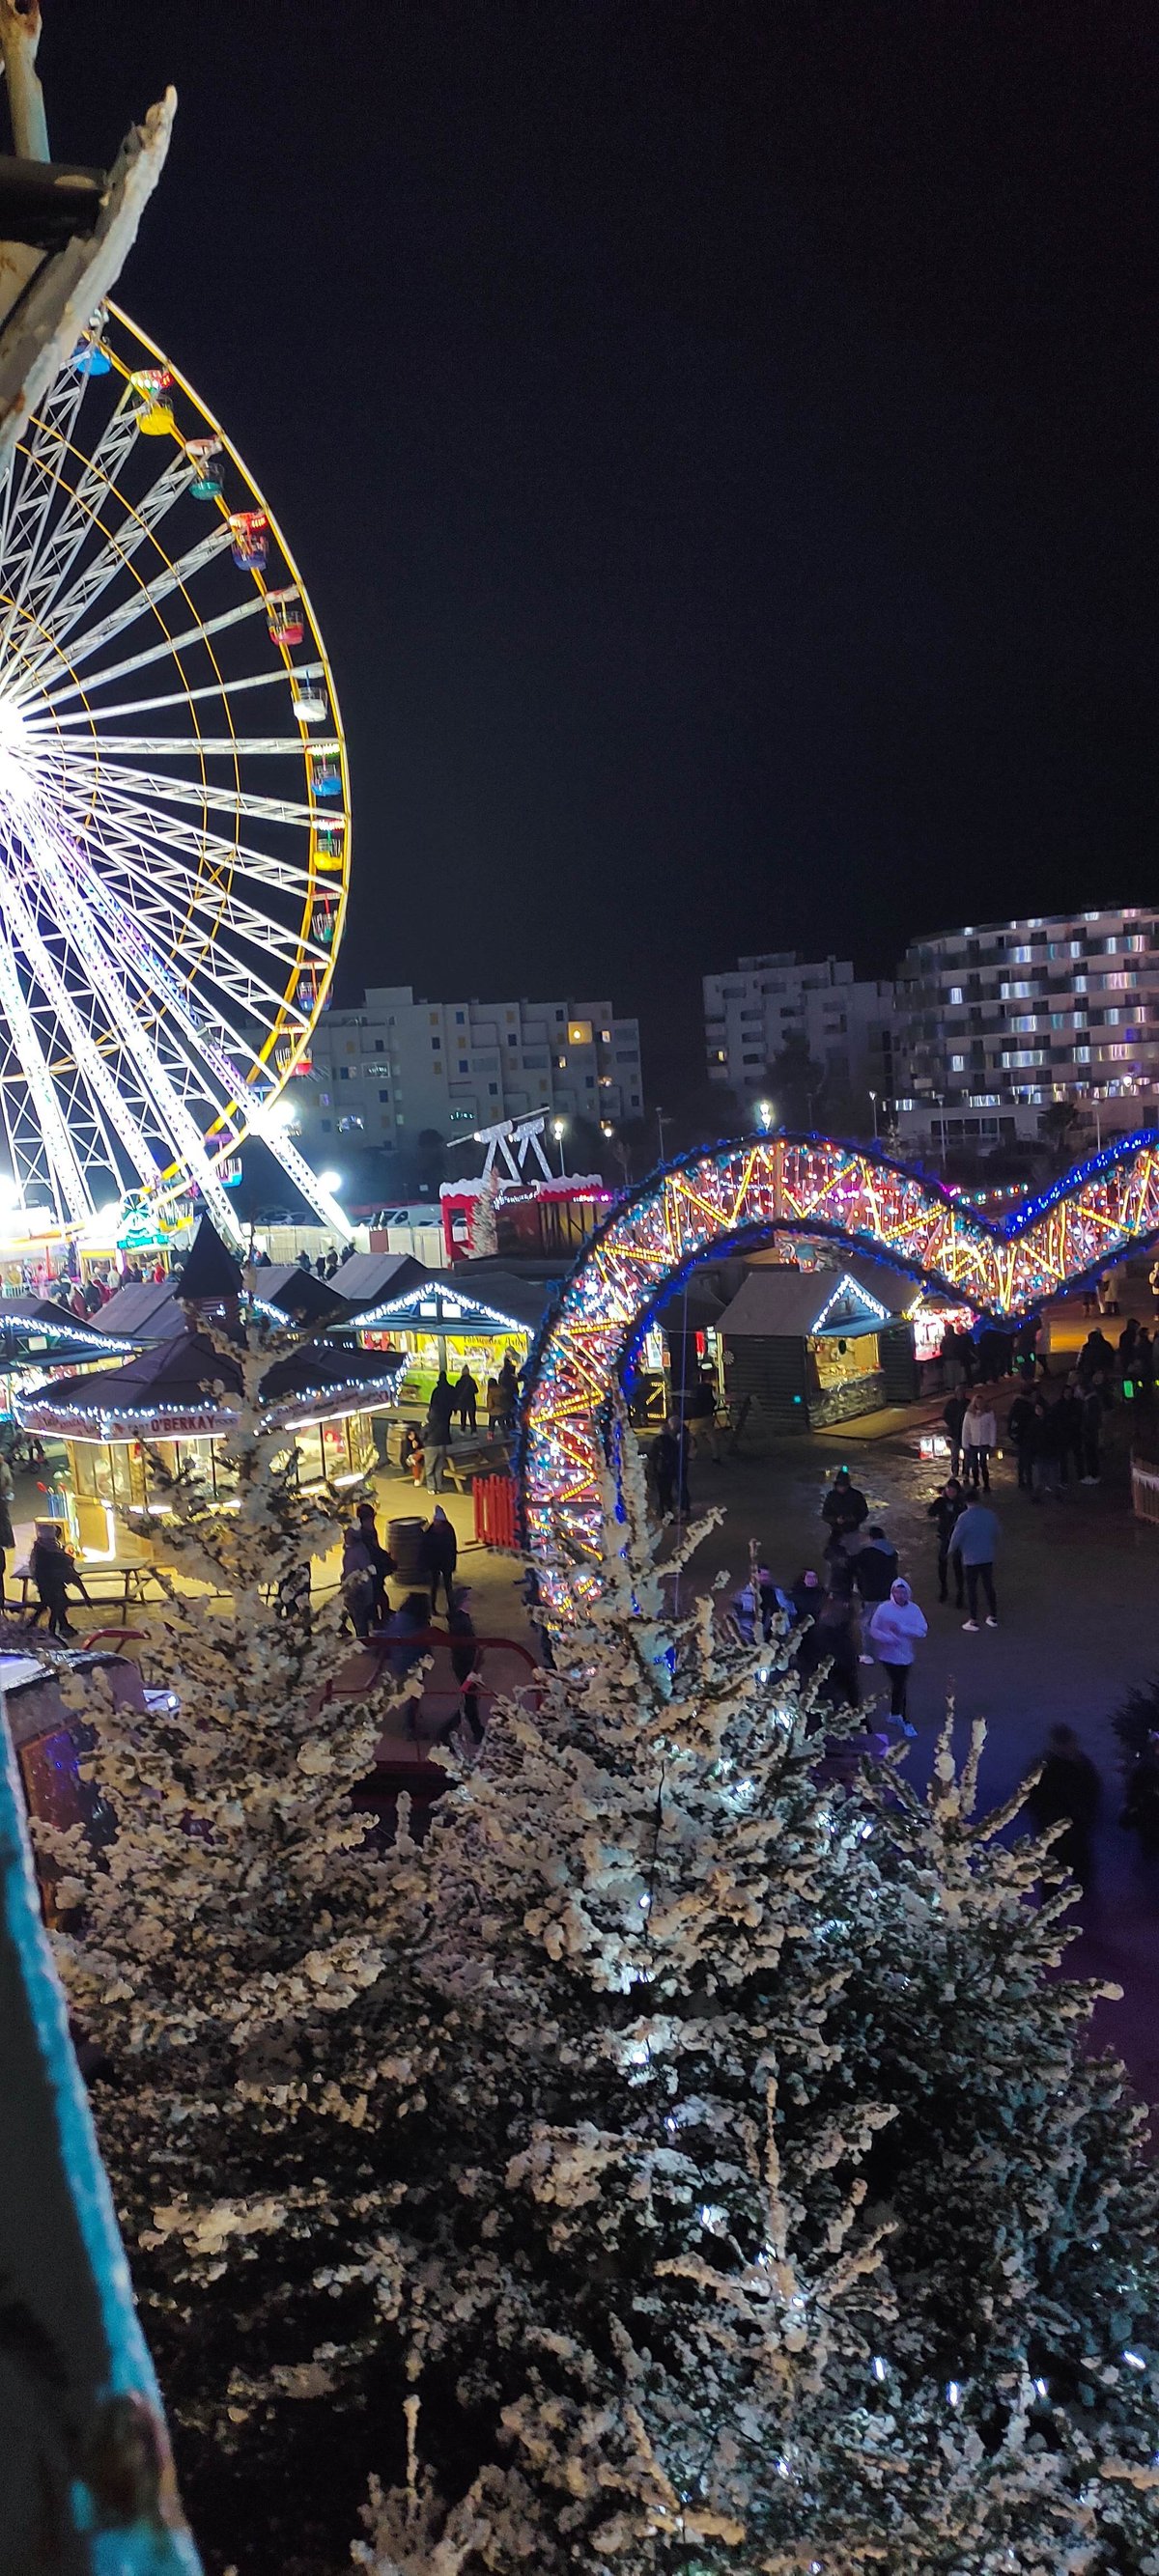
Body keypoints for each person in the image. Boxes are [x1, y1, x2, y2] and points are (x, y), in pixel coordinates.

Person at [1026, 1724, 1101, 1889]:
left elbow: (1093, 1792)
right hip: (1053, 1831)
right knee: (1052, 1879)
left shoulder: (1081, 1764)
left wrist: (1087, 1816)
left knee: (1082, 1877)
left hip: (1077, 1829)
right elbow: (1031, 1797)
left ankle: (1084, 1905)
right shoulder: (1045, 1767)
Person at [867, 1577, 927, 1734]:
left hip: (906, 1656)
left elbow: (922, 1631)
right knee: (900, 1685)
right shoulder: (883, 1609)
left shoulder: (914, 1609)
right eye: (897, 1592)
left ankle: (895, 1713)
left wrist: (902, 1629)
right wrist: (888, 1639)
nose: (900, 1596)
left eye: (903, 1592)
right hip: (887, 1656)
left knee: (899, 1685)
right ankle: (905, 1719)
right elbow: (873, 1630)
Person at [27, 1523, 90, 1641]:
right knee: (57, 1605)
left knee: (55, 1604)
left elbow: (34, 1569)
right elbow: (72, 1576)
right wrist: (85, 1596)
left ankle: (58, 1627)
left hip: (46, 1584)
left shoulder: (40, 1550)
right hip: (51, 1585)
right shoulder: (55, 1555)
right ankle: (53, 1631)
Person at [949, 1496, 1000, 1631]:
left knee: (972, 1589)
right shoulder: (990, 1515)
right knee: (989, 1586)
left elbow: (956, 1537)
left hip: (971, 1558)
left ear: (966, 1502)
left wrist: (950, 1551)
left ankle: (973, 1620)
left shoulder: (964, 1518)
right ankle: (993, 1616)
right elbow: (997, 1532)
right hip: (987, 1556)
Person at [445, 1589, 484, 1744]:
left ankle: (474, 1728)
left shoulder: (460, 1618)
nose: (471, 1603)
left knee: (470, 1697)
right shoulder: (461, 1622)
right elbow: (464, 1645)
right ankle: (452, 1729)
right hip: (465, 1664)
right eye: (469, 1600)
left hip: (464, 1662)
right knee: (470, 1698)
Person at [926, 1476, 965, 1606]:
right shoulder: (941, 1502)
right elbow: (930, 1512)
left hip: (957, 1538)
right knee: (942, 1564)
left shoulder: (961, 1503)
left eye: (953, 1491)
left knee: (957, 1566)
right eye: (949, 1490)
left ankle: (960, 1594)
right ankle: (944, 1590)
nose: (951, 1493)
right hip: (945, 1538)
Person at [1120, 1737, 1159, 1863]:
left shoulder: (1143, 1766)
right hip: (1149, 1813)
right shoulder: (1145, 1767)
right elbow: (1133, 1789)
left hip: (1148, 1813)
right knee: (1149, 1843)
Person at [355, 1500, 395, 1620]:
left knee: (379, 1594)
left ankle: (383, 1615)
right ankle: (377, 1618)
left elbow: (376, 1548)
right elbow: (371, 1552)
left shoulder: (370, 1531)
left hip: (376, 1569)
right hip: (369, 1570)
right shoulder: (362, 1535)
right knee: (374, 1597)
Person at [417, 1503, 458, 1620]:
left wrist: (452, 1564)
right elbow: (425, 1547)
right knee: (435, 1585)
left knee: (447, 1586)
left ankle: (451, 1608)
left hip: (444, 1562)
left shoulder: (444, 1530)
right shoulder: (434, 1530)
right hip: (435, 1562)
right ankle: (433, 1608)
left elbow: (451, 1549)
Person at [340, 1523, 377, 1641]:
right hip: (350, 1587)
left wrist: (355, 1580)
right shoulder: (349, 1549)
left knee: (358, 1616)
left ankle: (363, 1639)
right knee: (346, 1608)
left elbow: (366, 1569)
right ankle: (341, 1627)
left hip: (358, 1590)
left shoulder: (359, 1551)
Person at [820, 1467, 868, 1544]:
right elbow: (824, 1515)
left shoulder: (857, 1495)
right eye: (840, 1486)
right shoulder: (831, 1496)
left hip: (852, 1530)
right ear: (836, 1485)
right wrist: (836, 1519)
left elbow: (864, 1512)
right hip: (836, 1531)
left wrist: (852, 1518)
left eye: (845, 1486)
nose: (842, 1488)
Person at [852, 1525, 898, 1605]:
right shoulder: (893, 1552)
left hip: (871, 1593)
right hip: (889, 1591)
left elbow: (851, 1565)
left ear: (870, 1537)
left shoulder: (866, 1553)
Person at [962, 1391, 997, 1492]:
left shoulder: (989, 1414)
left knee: (983, 1464)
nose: (979, 1405)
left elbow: (992, 1428)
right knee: (974, 1464)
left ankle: (986, 1484)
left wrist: (992, 1442)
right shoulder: (969, 1415)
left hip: (984, 1443)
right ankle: (976, 1481)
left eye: (981, 1402)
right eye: (977, 1403)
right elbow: (966, 1429)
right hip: (973, 1443)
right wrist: (966, 1442)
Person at [1006, 1386, 1036, 1493]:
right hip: (1025, 1437)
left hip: (1019, 1437)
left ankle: (1022, 1480)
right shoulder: (1027, 1407)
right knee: (1026, 1460)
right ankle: (1028, 1481)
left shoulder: (1017, 1405)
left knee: (1022, 1460)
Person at [1080, 1375, 1106, 1484]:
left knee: (1091, 1453)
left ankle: (1093, 1475)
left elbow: (1091, 1419)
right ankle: (1093, 1474)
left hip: (1090, 1432)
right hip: (1091, 1431)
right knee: (1091, 1453)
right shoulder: (1092, 1400)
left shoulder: (1091, 1402)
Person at [943, 1388, 968, 1478]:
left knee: (966, 1455)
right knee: (954, 1455)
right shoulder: (951, 1404)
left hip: (965, 1433)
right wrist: (952, 1425)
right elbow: (946, 1415)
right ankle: (955, 1472)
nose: (961, 1395)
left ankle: (965, 1472)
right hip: (954, 1433)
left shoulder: (968, 1403)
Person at [0, 1449, 14, 1610]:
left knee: (4, 1520)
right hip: (4, 1496)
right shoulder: (4, 1467)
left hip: (3, 1496)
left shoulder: (3, 1468)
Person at [454, 1364, 478, 1434]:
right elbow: (476, 1391)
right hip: (471, 1401)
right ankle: (473, 1431)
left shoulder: (459, 1382)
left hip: (463, 1402)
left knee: (463, 1416)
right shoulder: (472, 1381)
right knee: (472, 1417)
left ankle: (463, 1429)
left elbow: (456, 1392)